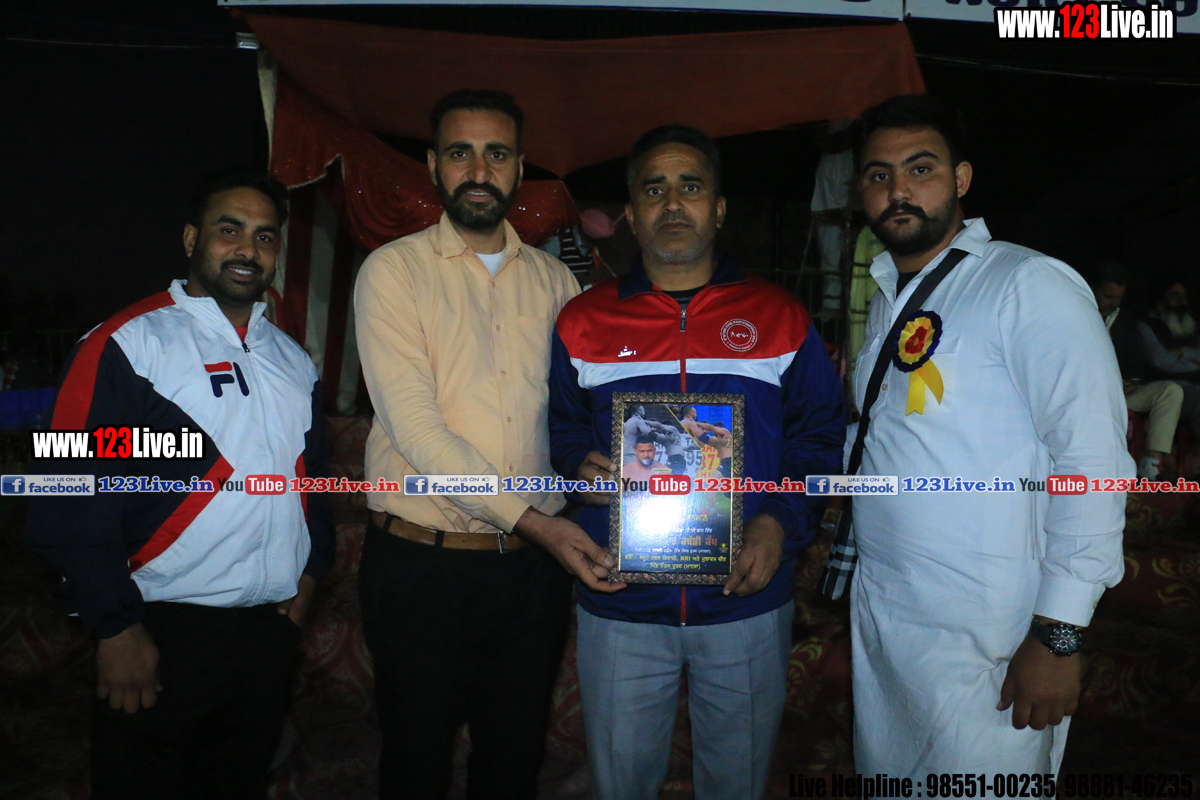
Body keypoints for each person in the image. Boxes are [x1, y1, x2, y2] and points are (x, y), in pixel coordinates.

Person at [549, 124, 844, 799]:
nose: (673, 203)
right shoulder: (583, 320)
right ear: (631, 214)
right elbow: (560, 426)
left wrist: (778, 523)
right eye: (654, 190)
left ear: (719, 208)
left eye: (691, 186)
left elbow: (820, 435)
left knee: (736, 783)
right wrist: (573, 464)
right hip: (621, 596)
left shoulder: (780, 316)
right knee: (621, 784)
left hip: (745, 597)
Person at [842, 95, 1131, 775]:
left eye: (921, 169)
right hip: (888, 613)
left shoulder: (1025, 283)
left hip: (992, 631)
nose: (899, 190)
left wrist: (1058, 636)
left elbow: (1093, 461)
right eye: (879, 175)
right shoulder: (888, 297)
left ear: (962, 178)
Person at [24, 168, 335, 800]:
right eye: (229, 230)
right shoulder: (126, 345)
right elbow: (69, 489)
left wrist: (310, 576)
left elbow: (315, 480)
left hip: (266, 633)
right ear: (192, 239)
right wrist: (114, 627)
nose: (248, 249)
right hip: (159, 630)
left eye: (265, 236)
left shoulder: (292, 359)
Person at [352, 89, 616, 800]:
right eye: (460, 153)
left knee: (513, 758)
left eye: (496, 154)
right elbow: (416, 427)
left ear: (519, 168)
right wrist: (537, 522)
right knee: (416, 762)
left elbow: (567, 414)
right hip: (421, 566)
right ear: (433, 165)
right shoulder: (393, 272)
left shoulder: (559, 283)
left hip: (529, 576)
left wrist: (589, 466)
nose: (478, 170)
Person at [1089, 261, 1183, 480]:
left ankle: (1150, 466)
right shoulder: (1076, 313)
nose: (1113, 303)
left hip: (1117, 393)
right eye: (1108, 296)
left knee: (1170, 391)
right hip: (1084, 394)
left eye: (1118, 298)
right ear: (1093, 289)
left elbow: (1134, 359)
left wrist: (1132, 380)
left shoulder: (1125, 319)